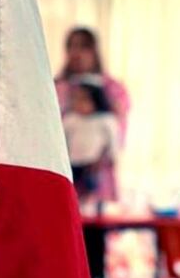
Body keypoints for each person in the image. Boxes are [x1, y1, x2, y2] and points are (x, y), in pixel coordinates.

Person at [55, 27, 130, 202]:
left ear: (94, 51)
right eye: (72, 46)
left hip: (99, 176)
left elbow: (118, 132)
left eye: (83, 47)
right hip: (64, 172)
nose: (77, 53)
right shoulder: (55, 88)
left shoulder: (112, 89)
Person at [63, 78, 120, 206]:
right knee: (72, 190)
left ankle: (91, 209)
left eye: (83, 99)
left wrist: (112, 158)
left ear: (96, 100)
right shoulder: (71, 119)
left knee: (93, 190)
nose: (78, 103)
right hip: (72, 162)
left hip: (94, 163)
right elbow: (62, 142)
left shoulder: (106, 120)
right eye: (75, 99)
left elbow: (113, 142)